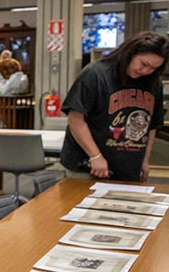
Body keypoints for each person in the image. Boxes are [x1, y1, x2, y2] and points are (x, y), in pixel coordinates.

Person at [60, 31, 169, 182]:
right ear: (130, 53)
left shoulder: (152, 82)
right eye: (144, 64)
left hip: (128, 167)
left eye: (153, 68)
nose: (145, 71)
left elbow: (151, 126)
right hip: (88, 165)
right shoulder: (96, 74)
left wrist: (145, 160)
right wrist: (95, 156)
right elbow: (75, 119)